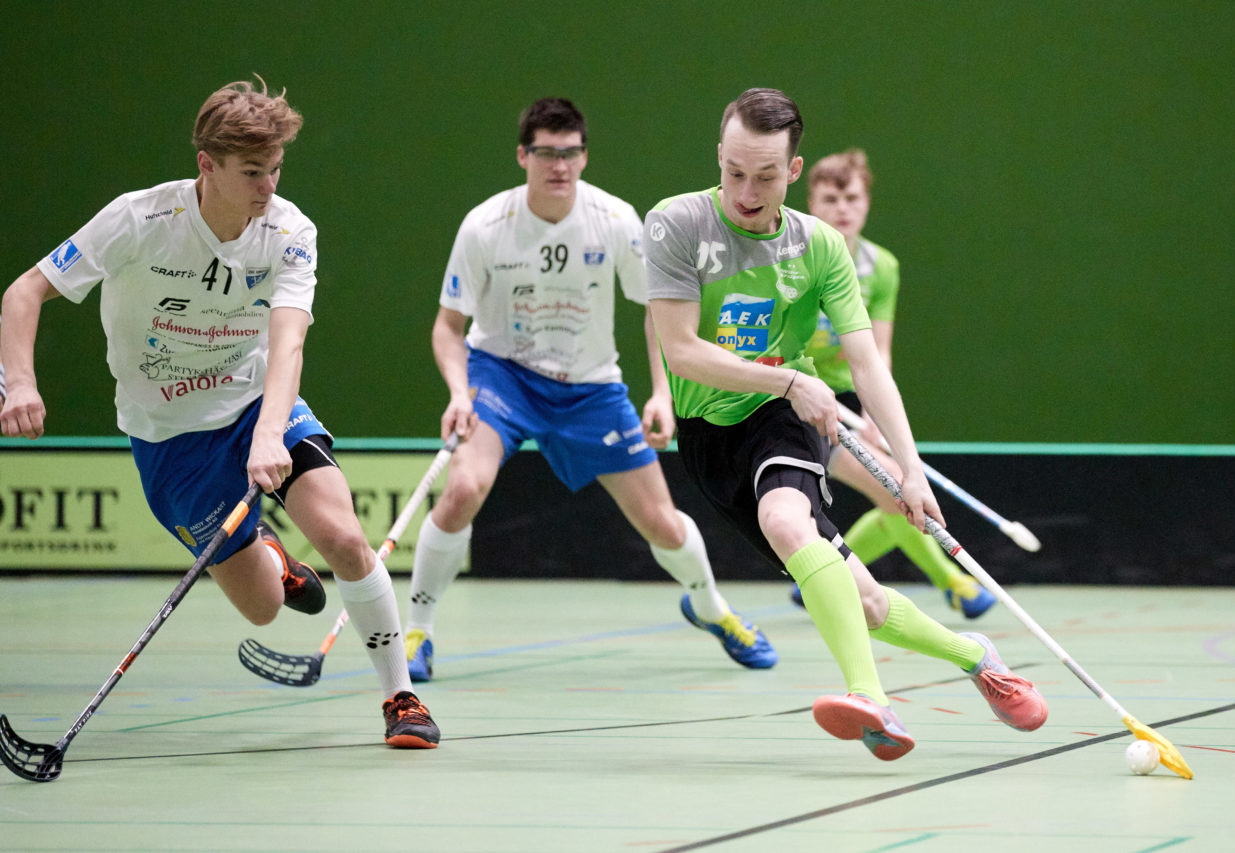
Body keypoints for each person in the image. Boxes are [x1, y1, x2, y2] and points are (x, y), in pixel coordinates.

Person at [0, 77, 439, 750]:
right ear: (207, 165)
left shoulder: (289, 231)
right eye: (252, 172)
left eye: (276, 169)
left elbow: (288, 344)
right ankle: (274, 558)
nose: (268, 186)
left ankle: (400, 697)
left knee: (344, 537)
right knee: (263, 607)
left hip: (257, 402)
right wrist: (19, 384)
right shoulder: (139, 221)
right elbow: (24, 292)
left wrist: (269, 431)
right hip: (169, 437)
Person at [644, 87, 1046, 761]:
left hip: (782, 417)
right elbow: (681, 350)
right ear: (718, 156)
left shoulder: (821, 247)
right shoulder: (676, 224)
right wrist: (790, 379)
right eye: (734, 172)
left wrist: (910, 471)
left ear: (793, 170)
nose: (746, 192)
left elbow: (867, 365)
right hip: (709, 434)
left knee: (785, 520)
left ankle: (871, 698)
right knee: (865, 603)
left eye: (765, 176)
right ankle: (977, 656)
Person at [403, 97, 776, 682]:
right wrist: (457, 391)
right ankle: (417, 631)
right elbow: (448, 328)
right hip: (503, 376)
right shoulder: (485, 227)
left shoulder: (616, 220)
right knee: (464, 488)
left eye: (571, 153)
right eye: (546, 153)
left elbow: (660, 311)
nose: (560, 165)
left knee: (661, 521)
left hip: (590, 389)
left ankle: (712, 609)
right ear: (523, 156)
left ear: (584, 156)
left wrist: (662, 392)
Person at [790, 149, 996, 618]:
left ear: (866, 202)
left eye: (852, 198)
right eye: (830, 199)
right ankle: (952, 582)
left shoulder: (881, 266)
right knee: (893, 491)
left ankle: (824, 578)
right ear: (811, 203)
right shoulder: (793, 256)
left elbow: (877, 351)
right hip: (799, 396)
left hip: (848, 397)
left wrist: (873, 415)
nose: (843, 208)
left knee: (896, 491)